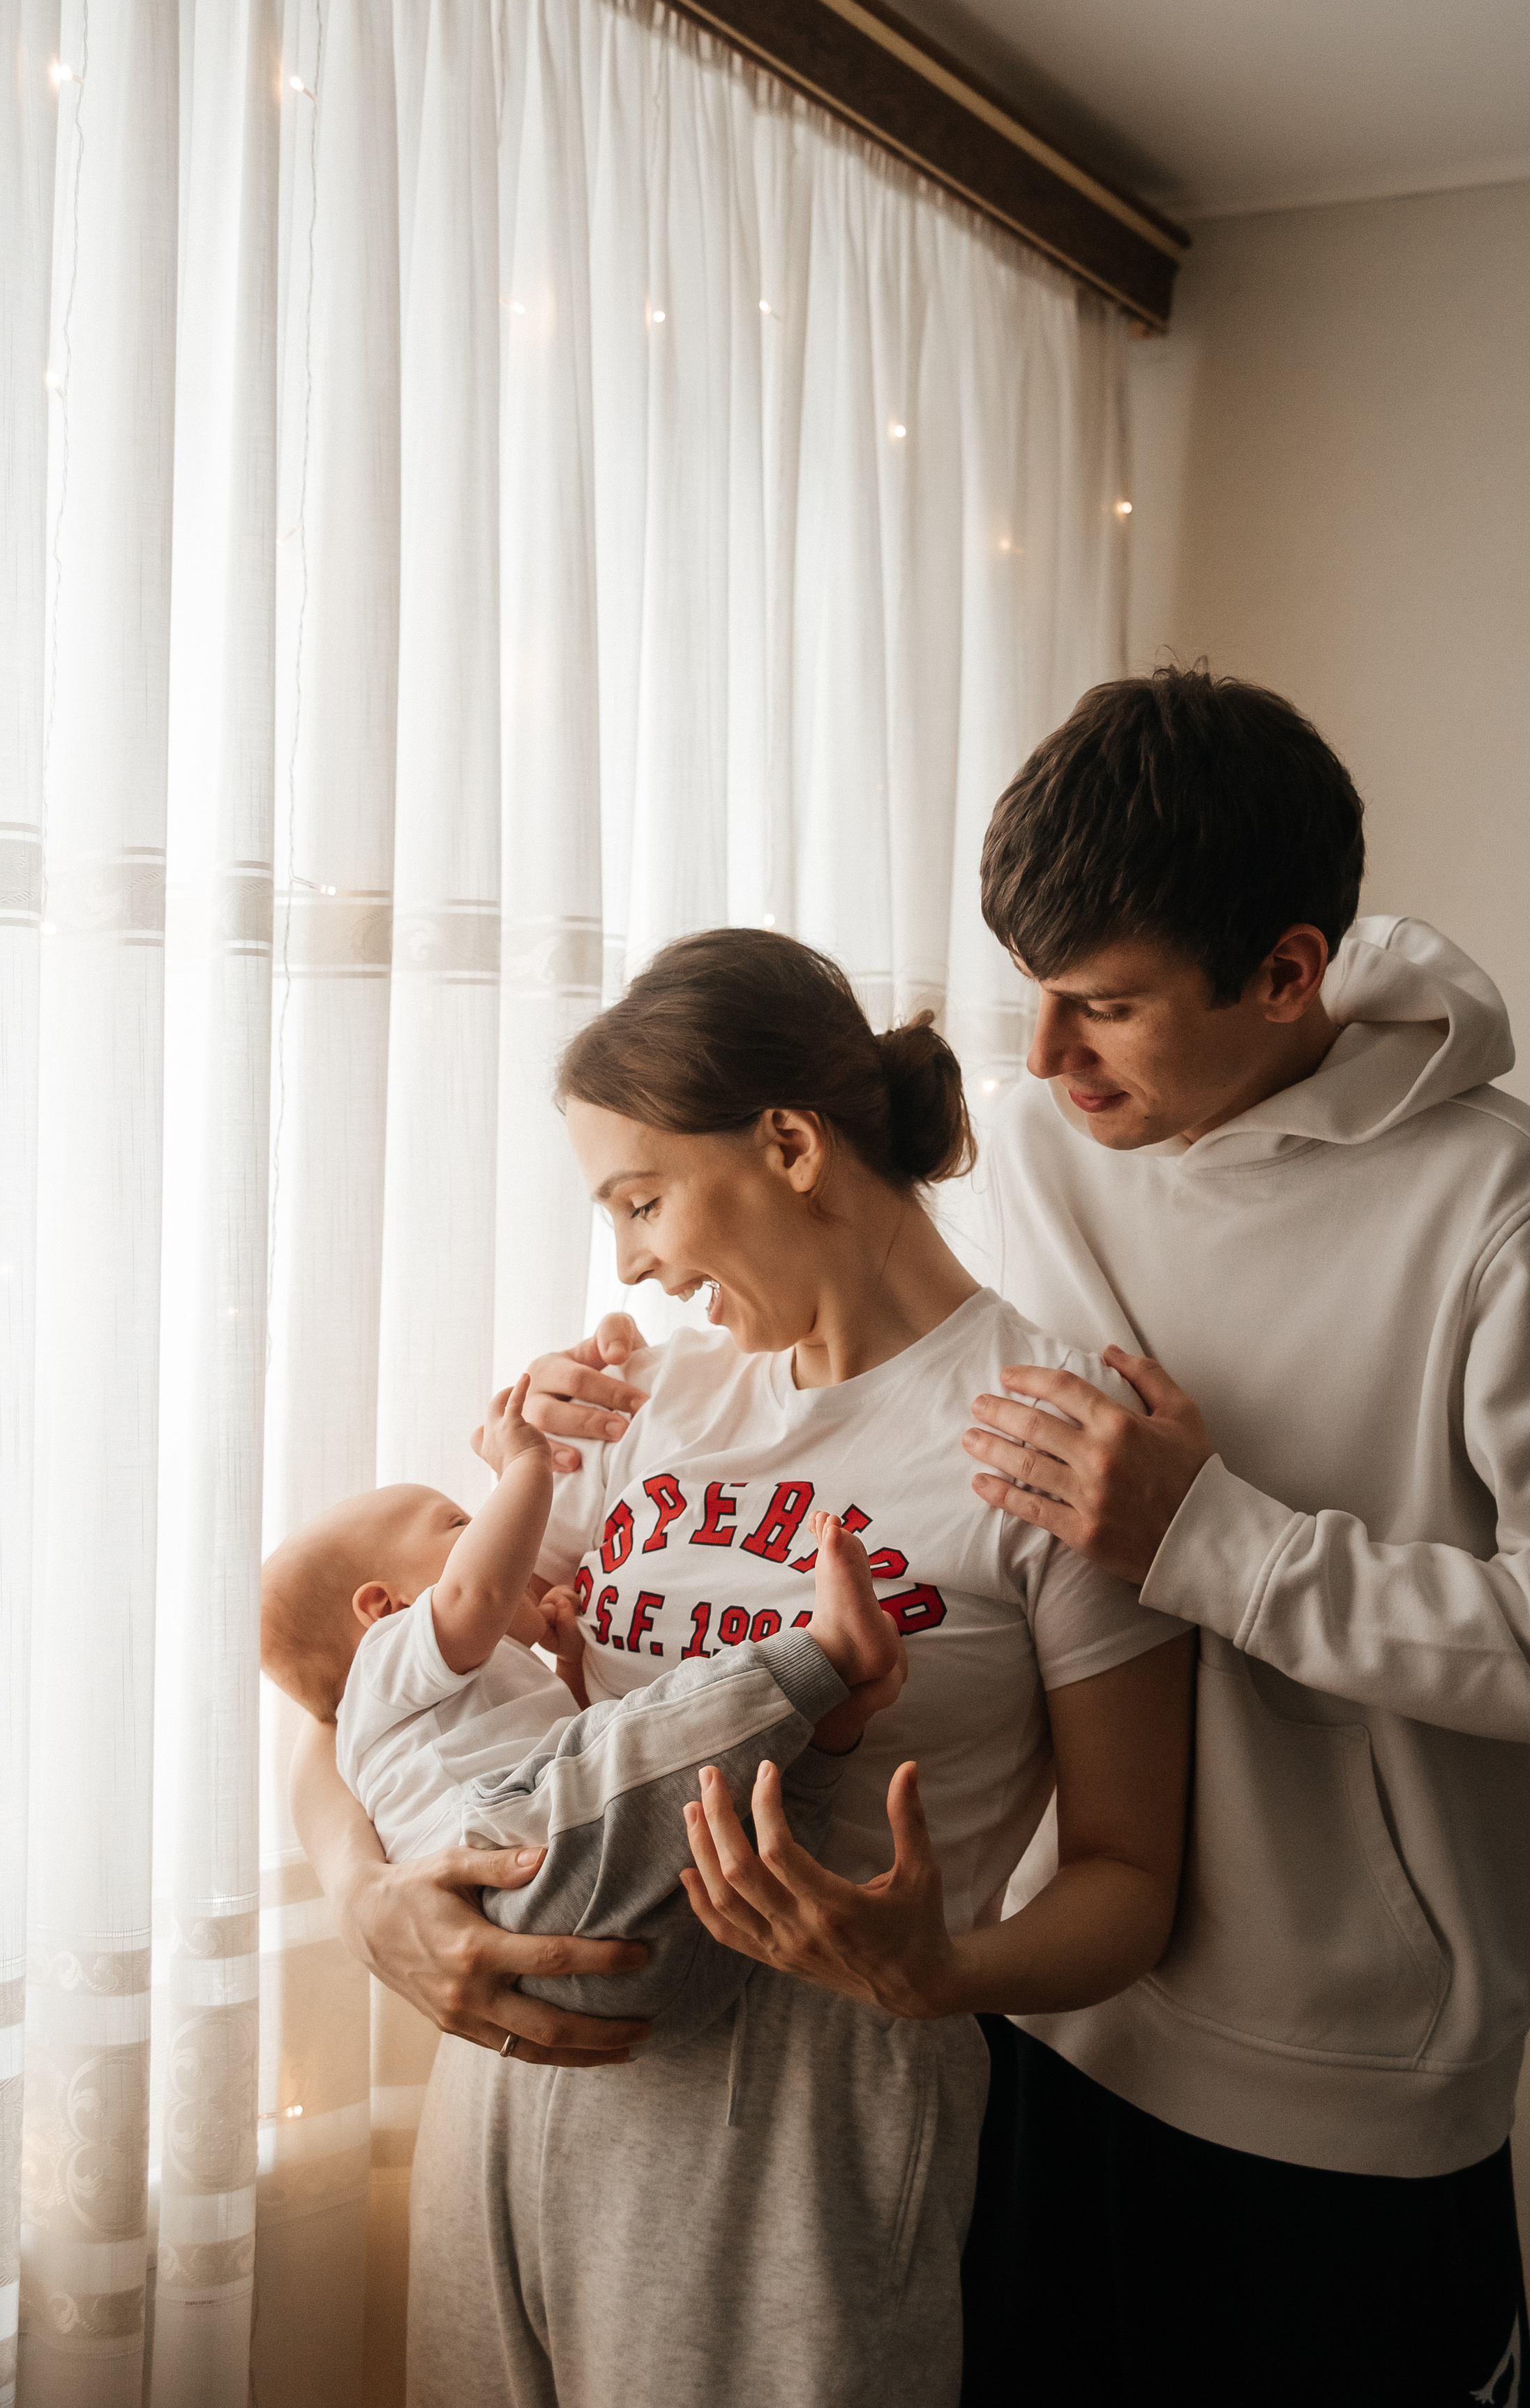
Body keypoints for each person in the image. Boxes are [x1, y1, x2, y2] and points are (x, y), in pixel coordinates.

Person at [566, 670, 1530, 2408]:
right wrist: (569, 1429)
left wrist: (1216, 1539)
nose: (1039, 1060)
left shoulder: (1503, 1209)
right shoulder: (1034, 1149)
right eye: (1033, 997)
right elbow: (846, 1379)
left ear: (1284, 970)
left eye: (1100, 1005)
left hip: (1347, 2102)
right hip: (1019, 2033)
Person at [285, 928, 1191, 2408]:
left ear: (786, 1143)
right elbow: (368, 1692)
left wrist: (941, 1968)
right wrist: (363, 1898)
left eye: (640, 1200)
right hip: (515, 2102)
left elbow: (1126, 1882)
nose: (630, 1259)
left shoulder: (1047, 1439)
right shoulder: (635, 1405)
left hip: (800, 2152)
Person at [260, 1373, 905, 2041]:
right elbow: (474, 1597)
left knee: (726, 1821)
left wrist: (568, 1666)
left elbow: (560, 1735)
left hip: (643, 1977)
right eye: (459, 1524)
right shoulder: (385, 1658)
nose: (488, 1531)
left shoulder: (424, 1703)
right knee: (647, 1745)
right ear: (382, 1606)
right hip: (514, 1873)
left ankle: (832, 1723)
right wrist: (525, 1465)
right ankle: (826, 1656)